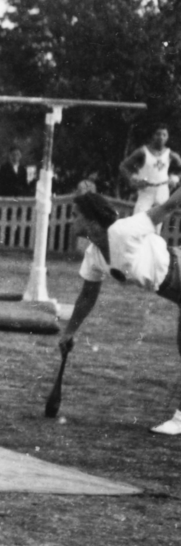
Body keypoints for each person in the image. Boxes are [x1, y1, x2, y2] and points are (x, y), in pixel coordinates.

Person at [58, 189, 181, 435]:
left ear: (91, 221)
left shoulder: (124, 230)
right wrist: (68, 333)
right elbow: (87, 296)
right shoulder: (94, 255)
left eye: (75, 215)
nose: (72, 220)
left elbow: (168, 206)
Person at [120, 127, 181, 215]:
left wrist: (176, 178)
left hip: (162, 190)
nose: (161, 137)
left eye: (164, 135)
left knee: (158, 220)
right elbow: (123, 167)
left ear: (167, 137)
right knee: (139, 216)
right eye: (158, 134)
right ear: (152, 136)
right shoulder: (143, 152)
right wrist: (132, 181)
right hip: (146, 190)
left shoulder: (170, 154)